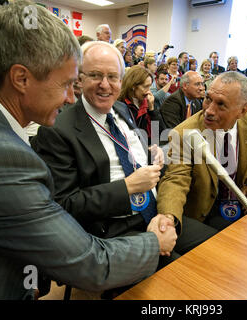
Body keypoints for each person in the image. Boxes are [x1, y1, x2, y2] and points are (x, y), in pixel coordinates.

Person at [0, 1, 174, 300]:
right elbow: (90, 264)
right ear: (21, 78)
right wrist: (153, 242)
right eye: (67, 84)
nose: (72, 99)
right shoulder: (0, 159)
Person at [32, 40, 215, 274]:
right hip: (114, 227)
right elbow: (65, 204)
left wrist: (151, 154)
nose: (105, 85)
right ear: (80, 78)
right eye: (96, 75)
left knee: (213, 249)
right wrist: (127, 187)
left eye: (113, 77)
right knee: (182, 275)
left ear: (121, 80)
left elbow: (125, 152)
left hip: (154, 209)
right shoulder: (58, 130)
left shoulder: (121, 109)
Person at [157, 71, 247, 231]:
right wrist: (168, 219)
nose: (209, 110)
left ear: (242, 111)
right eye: (208, 99)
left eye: (221, 104)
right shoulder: (184, 133)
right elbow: (175, 180)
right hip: (203, 213)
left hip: (237, 202)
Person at [118, 65, 166, 140]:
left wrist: (152, 110)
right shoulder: (120, 104)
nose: (148, 91)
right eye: (145, 87)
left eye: (149, 87)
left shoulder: (147, 102)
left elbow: (161, 133)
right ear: (133, 86)